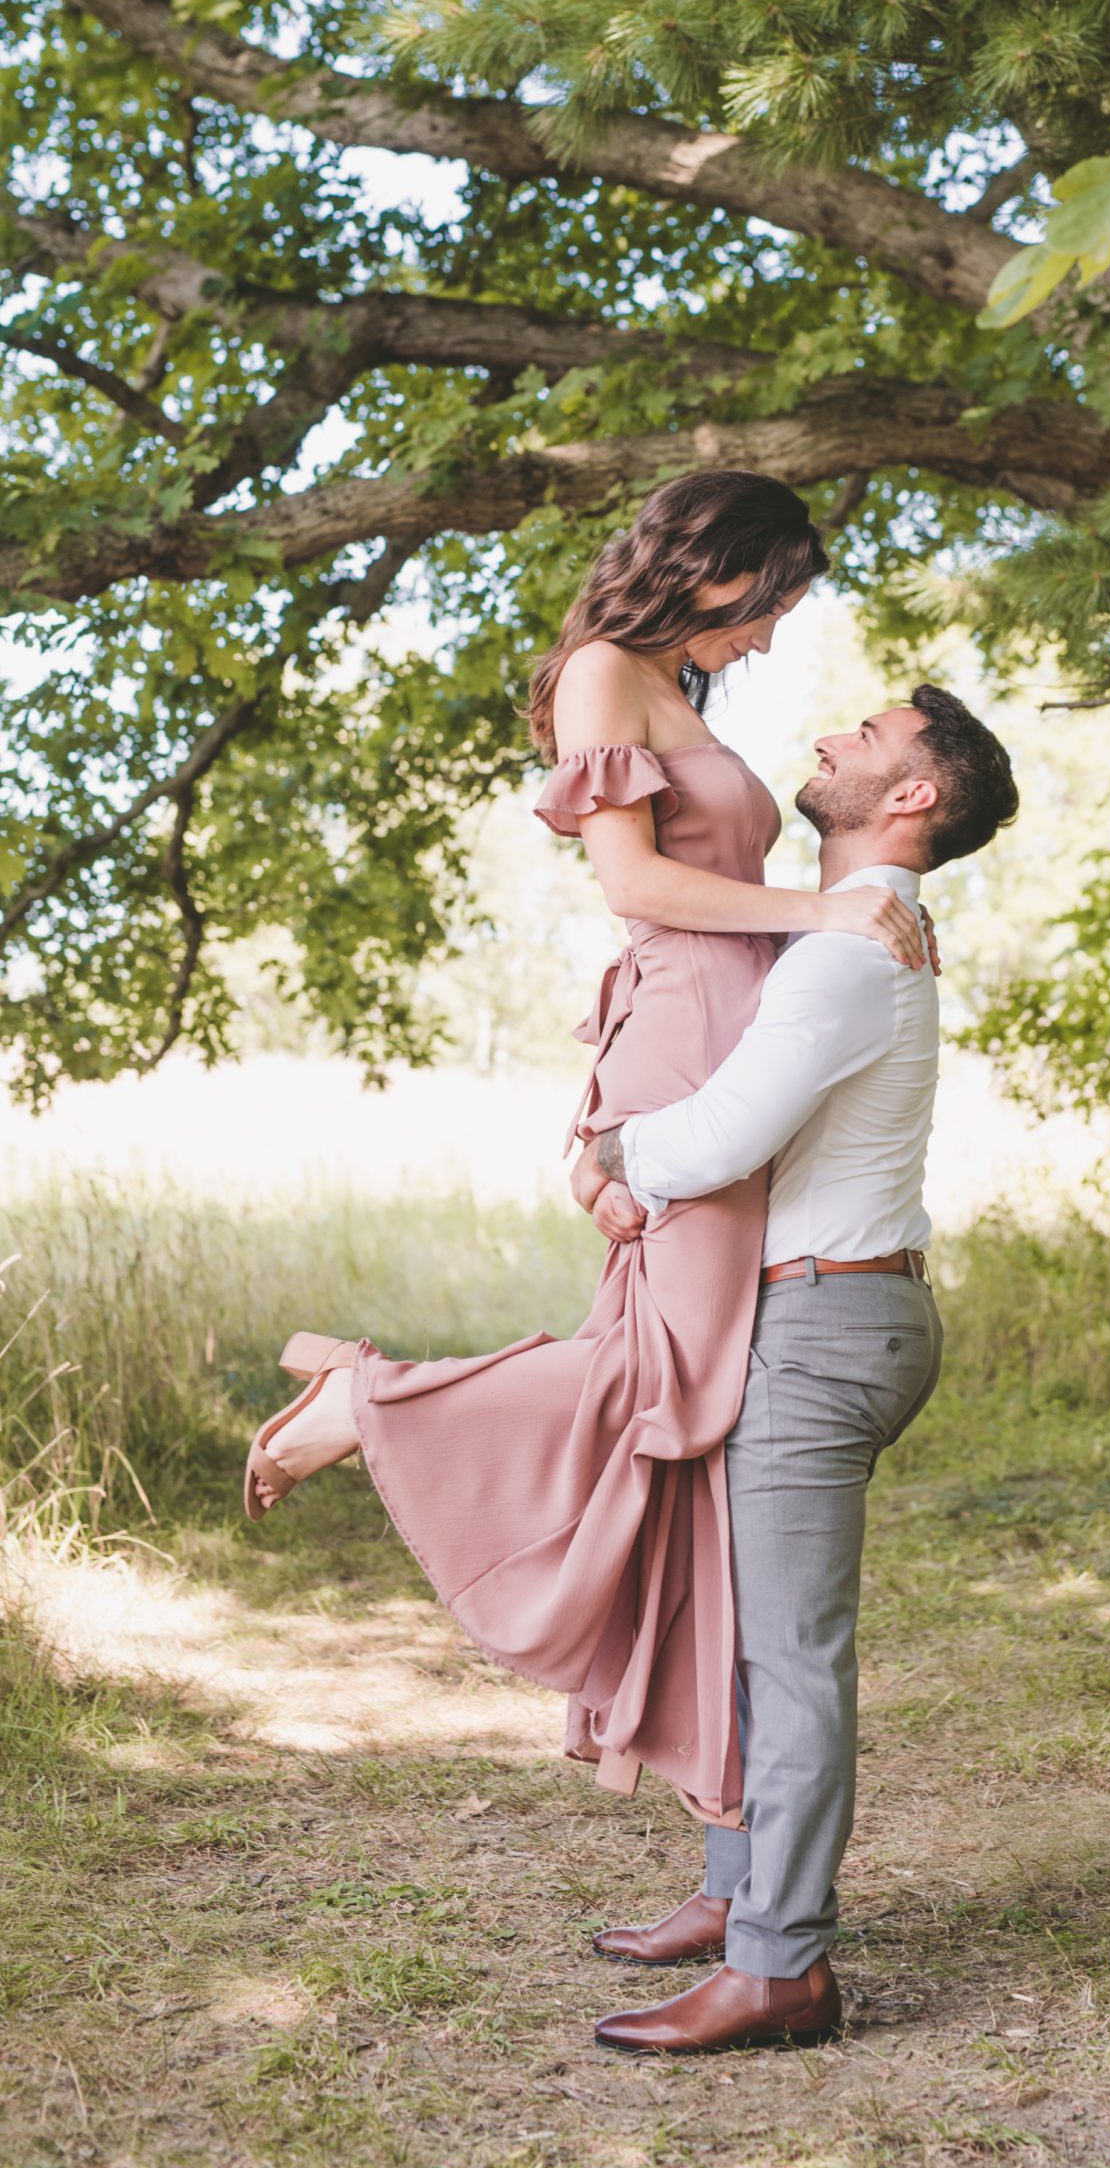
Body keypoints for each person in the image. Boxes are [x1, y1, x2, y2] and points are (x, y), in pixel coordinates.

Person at [239, 469, 930, 1831]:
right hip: (690, 1040)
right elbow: (633, 886)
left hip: (731, 1041)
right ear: (716, 564)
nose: (775, 635)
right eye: (773, 601)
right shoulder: (604, 673)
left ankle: (709, 1790)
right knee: (663, 1375)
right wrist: (832, 908)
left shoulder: (673, 686)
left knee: (699, 1396)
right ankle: (369, 1405)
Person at [575, 685, 1018, 2057]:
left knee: (793, 1654)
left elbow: (716, 1141)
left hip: (823, 1333)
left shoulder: (846, 958)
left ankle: (783, 1969)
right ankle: (737, 1896)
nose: (831, 737)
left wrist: (606, 1153)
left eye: (870, 738)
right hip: (821, 1317)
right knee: (747, 1628)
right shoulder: (835, 938)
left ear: (913, 799)